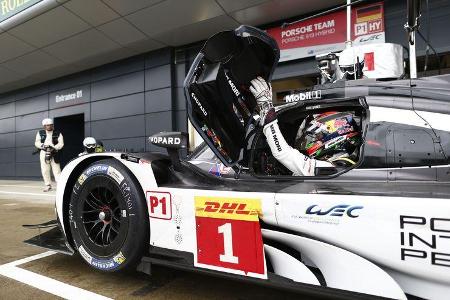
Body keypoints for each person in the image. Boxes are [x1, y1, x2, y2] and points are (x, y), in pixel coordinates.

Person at [249, 77, 360, 176]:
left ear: (335, 137)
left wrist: (266, 108)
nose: (307, 142)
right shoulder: (338, 165)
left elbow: (283, 153)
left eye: (316, 136)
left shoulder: (336, 168)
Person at [34, 118, 64, 191]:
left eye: (51, 125)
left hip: (54, 152)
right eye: (47, 125)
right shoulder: (40, 133)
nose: (49, 127)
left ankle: (60, 185)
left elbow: (61, 143)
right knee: (45, 170)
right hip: (44, 152)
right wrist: (42, 146)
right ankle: (48, 185)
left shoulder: (58, 133)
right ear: (44, 126)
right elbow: (37, 142)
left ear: (53, 125)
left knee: (57, 170)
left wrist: (55, 148)